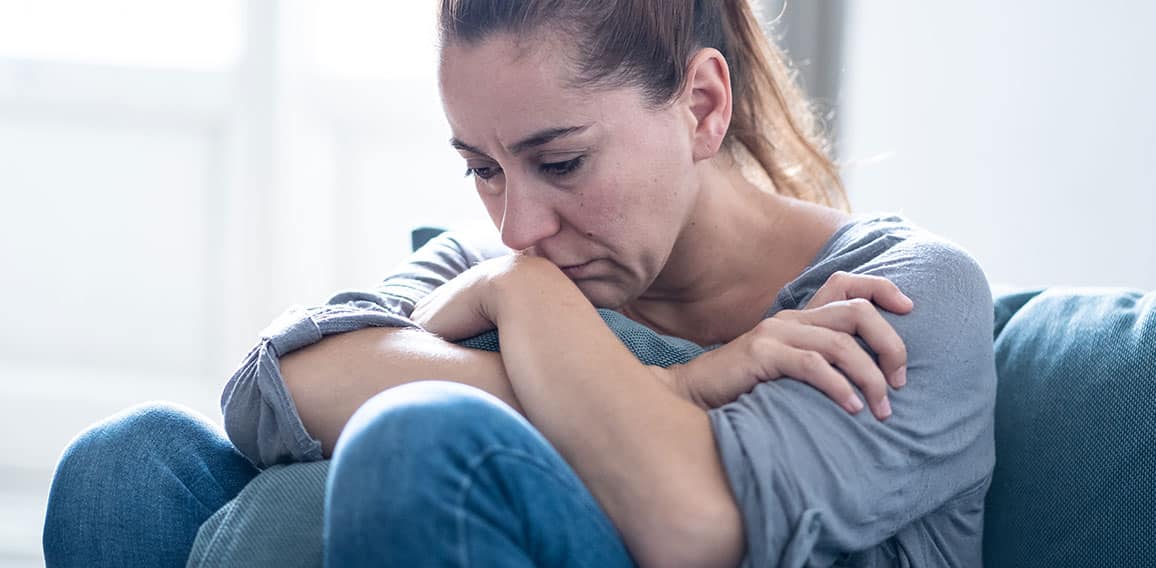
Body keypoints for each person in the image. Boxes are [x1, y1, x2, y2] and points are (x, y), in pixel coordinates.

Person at [43, 0, 997, 566]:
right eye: (483, 168)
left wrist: (526, 306)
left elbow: (689, 518)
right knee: (127, 463)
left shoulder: (899, 296)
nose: (519, 228)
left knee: (418, 443)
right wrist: (673, 385)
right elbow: (276, 387)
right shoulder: (508, 262)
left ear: (701, 105)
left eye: (562, 161)